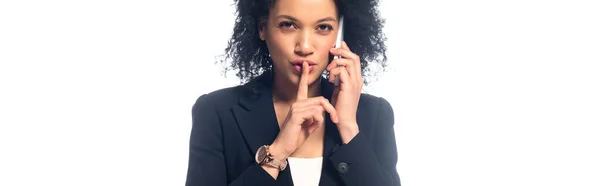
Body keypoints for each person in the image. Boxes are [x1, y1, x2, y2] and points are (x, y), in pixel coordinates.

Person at [185, 0, 399, 185]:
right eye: (288, 25)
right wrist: (277, 153)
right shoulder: (217, 112)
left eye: (323, 27)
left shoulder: (375, 114)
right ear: (263, 28)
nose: (305, 47)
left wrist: (349, 129)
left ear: (339, 34)